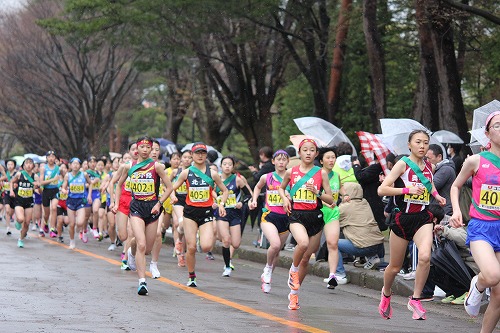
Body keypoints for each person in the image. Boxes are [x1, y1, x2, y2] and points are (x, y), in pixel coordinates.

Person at [377, 130, 446, 320]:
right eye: (418, 142)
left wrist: (436, 195)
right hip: (402, 219)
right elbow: (382, 189)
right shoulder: (402, 164)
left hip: (422, 218)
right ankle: (386, 293)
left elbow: (428, 185)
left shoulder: (429, 166)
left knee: (425, 257)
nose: (422, 146)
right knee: (394, 267)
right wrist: (407, 190)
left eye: (425, 142)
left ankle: (415, 299)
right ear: (409, 145)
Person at [449, 111, 500, 333]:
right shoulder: (476, 160)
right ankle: (476, 286)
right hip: (481, 227)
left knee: (499, 297)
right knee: (492, 275)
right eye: (498, 125)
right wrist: (456, 211)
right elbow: (455, 186)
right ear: (487, 133)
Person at [278, 138, 334, 310]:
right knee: (302, 243)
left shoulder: (321, 173)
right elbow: (281, 188)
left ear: (316, 154)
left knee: (306, 259)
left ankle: (294, 295)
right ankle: (292, 271)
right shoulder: (291, 171)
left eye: (312, 150)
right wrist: (284, 198)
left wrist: (318, 193)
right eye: (305, 150)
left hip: (315, 217)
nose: (308, 153)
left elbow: (330, 199)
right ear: (299, 152)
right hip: (296, 216)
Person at [114, 136, 173, 295]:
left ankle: (132, 253)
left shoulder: (157, 167)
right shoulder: (129, 166)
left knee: (146, 248)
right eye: (143, 147)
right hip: (137, 207)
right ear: (136, 149)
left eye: (149, 147)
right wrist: (116, 202)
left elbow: (169, 187)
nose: (146, 150)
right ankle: (142, 282)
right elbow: (119, 186)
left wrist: (159, 203)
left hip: (153, 208)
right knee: (141, 244)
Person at [171, 142, 228, 287]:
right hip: (190, 213)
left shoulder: (213, 173)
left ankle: (198, 237)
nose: (200, 155)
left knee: (207, 246)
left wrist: (221, 204)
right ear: (192, 155)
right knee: (190, 248)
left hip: (206, 213)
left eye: (203, 152)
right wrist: (172, 195)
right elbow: (172, 187)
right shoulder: (186, 172)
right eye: (197, 153)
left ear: (206, 155)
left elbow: (225, 190)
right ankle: (191, 276)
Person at [250, 149, 290, 293]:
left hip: (286, 218)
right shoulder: (267, 177)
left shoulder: (291, 177)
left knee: (277, 251)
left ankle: (268, 276)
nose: (281, 162)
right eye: (278, 159)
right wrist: (254, 199)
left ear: (287, 162)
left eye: (283, 159)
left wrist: (289, 197)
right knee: (275, 244)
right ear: (273, 161)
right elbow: (257, 187)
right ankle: (267, 268)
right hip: (269, 216)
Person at [333, 182, 385, 282]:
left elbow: (331, 219)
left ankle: (340, 274)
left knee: (333, 244)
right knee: (365, 233)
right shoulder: (365, 202)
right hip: (378, 245)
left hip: (363, 247)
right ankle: (375, 260)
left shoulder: (344, 207)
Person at [214, 156, 249, 277]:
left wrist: (242, 203)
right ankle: (227, 266)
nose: (227, 166)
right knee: (226, 240)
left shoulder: (238, 180)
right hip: (221, 213)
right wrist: (215, 201)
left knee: (236, 243)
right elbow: (210, 191)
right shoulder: (216, 179)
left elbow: (248, 195)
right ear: (221, 166)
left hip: (235, 213)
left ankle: (228, 260)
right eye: (225, 164)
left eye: (230, 164)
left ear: (233, 166)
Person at [316, 146, 344, 289]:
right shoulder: (316, 175)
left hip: (332, 212)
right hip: (317, 211)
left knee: (333, 243)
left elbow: (340, 189)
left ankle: (333, 275)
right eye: (328, 157)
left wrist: (345, 195)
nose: (331, 160)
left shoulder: (337, 175)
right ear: (321, 161)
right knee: (310, 247)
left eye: (333, 157)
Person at [353, 153, 396, 231]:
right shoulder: (387, 170)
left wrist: (356, 166)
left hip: (373, 199)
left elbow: (360, 176)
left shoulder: (377, 167)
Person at [61, 158, 93, 249]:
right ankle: (72, 241)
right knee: (72, 224)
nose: (75, 165)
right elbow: (63, 186)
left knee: (80, 222)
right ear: (70, 165)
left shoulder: (84, 174)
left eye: (77, 164)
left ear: (80, 165)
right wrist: (64, 191)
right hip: (71, 201)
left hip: (81, 201)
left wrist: (89, 195)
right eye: (73, 163)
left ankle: (78, 229)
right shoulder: (67, 175)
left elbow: (90, 184)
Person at [9, 158, 40, 248]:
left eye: (31, 163)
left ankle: (21, 239)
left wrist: (37, 187)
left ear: (33, 165)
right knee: (21, 219)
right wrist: (11, 191)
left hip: (29, 201)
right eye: (27, 163)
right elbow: (11, 182)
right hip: (19, 200)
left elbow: (39, 189)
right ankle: (18, 222)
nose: (29, 165)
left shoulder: (35, 176)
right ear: (23, 165)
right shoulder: (19, 174)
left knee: (26, 223)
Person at [425, 144, 456, 215]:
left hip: (443, 210)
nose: (427, 161)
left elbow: (430, 186)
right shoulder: (439, 168)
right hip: (437, 208)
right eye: (425, 158)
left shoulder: (445, 169)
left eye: (429, 158)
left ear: (439, 157)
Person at [39, 151, 60, 238]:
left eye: (53, 156)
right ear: (46, 158)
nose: (51, 158)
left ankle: (52, 229)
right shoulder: (43, 168)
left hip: (55, 190)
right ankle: (45, 224)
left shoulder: (58, 168)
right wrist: (52, 180)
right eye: (49, 156)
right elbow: (41, 182)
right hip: (46, 191)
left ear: (55, 158)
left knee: (54, 208)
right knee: (46, 213)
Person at [1, 159, 17, 236]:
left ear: (14, 165)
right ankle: (8, 228)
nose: (10, 166)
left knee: (11, 211)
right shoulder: (5, 174)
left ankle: (8, 216)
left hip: (15, 194)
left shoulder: (17, 174)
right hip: (6, 194)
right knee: (7, 210)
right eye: (8, 165)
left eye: (11, 164)